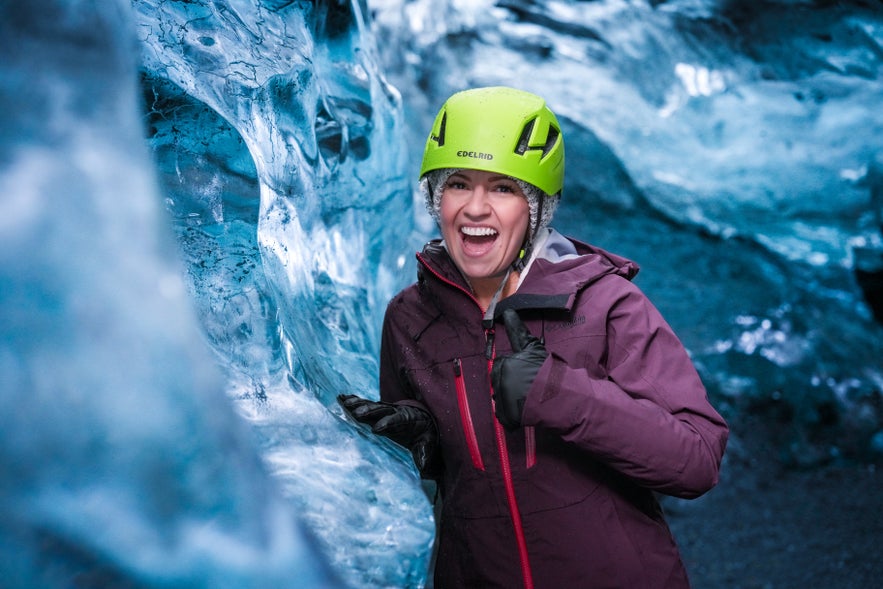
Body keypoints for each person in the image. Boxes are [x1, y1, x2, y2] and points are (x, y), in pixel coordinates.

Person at [338, 86, 728, 589]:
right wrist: (421, 437)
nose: (475, 209)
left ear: (538, 208)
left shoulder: (604, 305)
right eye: (458, 184)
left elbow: (696, 461)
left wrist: (558, 392)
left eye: (503, 188)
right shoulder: (410, 319)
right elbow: (456, 479)